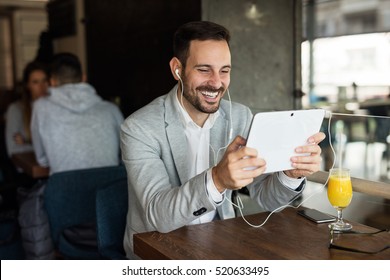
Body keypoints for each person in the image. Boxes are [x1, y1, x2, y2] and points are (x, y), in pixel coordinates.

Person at [120, 21, 325, 258]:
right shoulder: (139, 128)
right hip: (156, 248)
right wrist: (217, 179)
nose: (217, 83)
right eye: (204, 69)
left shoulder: (239, 116)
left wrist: (290, 175)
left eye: (224, 70)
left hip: (218, 241)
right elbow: (160, 216)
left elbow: (268, 199)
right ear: (177, 68)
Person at [31, 52, 124, 174]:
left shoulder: (41, 107)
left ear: (52, 82)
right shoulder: (112, 109)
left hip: (65, 189)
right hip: (108, 188)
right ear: (84, 78)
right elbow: (125, 154)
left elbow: (42, 160)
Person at [5, 61, 49, 158]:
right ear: (28, 85)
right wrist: (44, 147)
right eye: (35, 82)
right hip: (27, 169)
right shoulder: (16, 110)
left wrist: (26, 143)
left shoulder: (55, 108)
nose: (41, 87)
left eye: (44, 81)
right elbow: (13, 149)